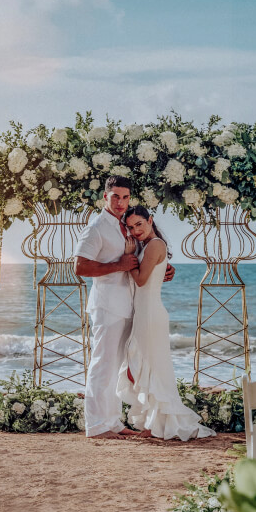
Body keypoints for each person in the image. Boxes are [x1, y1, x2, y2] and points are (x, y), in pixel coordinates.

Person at [73, 176, 175, 439]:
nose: (120, 202)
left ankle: (113, 423)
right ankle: (96, 426)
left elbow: (143, 258)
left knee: (117, 367)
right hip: (107, 306)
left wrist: (163, 268)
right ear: (105, 197)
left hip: (130, 306)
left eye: (125, 197)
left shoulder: (127, 226)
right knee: (102, 365)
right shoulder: (96, 228)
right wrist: (118, 266)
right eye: (115, 196)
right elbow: (80, 267)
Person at [116, 205, 216, 441]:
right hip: (144, 313)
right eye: (131, 227)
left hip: (151, 315)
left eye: (139, 224)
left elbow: (141, 280)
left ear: (150, 220)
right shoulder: (147, 246)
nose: (135, 230)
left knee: (154, 369)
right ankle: (154, 423)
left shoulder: (155, 245)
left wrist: (128, 261)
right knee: (144, 367)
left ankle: (157, 426)